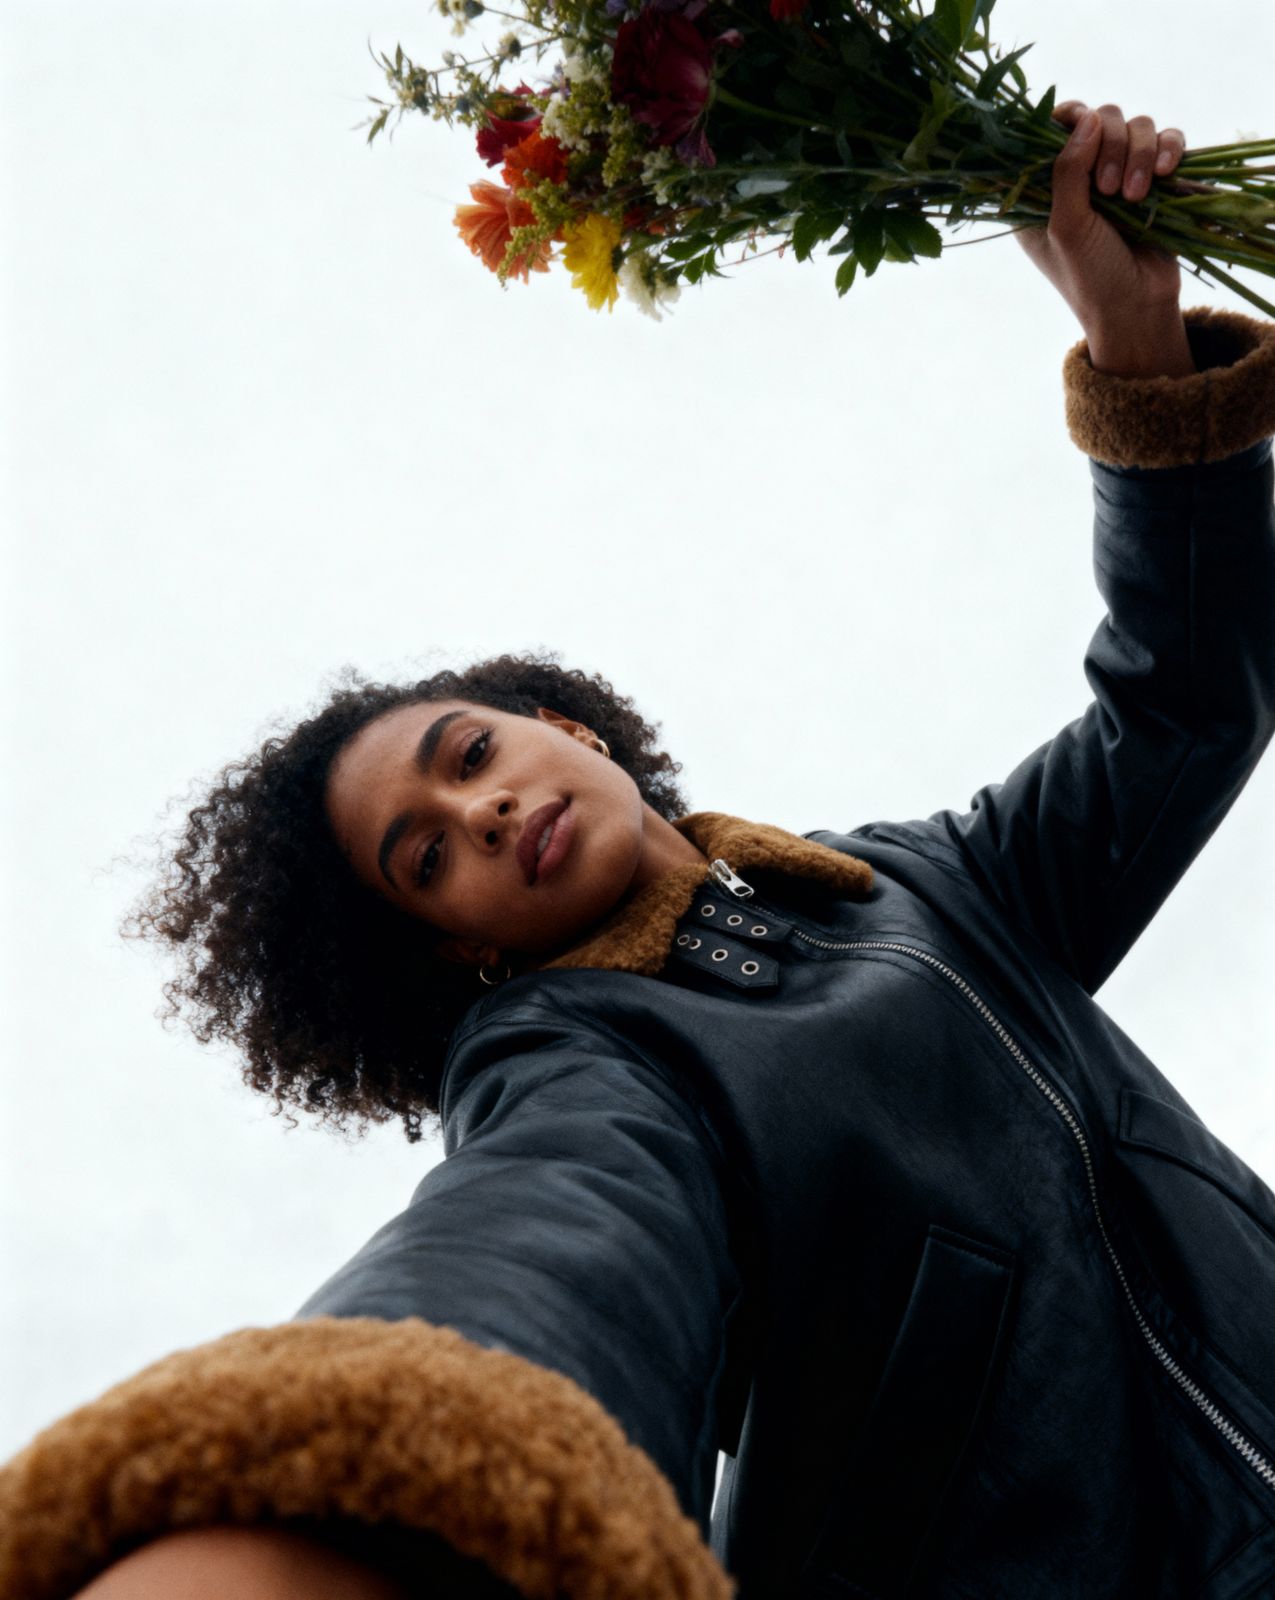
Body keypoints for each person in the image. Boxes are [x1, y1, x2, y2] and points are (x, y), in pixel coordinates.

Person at [3, 101, 1274, 1600]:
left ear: (573, 731)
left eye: (467, 755)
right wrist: (336, 1495)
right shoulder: (577, 1056)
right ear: (460, 942)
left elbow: (1183, 702)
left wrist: (1138, 351)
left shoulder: (925, 885)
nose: (472, 812)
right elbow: (542, 1244)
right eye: (423, 861)